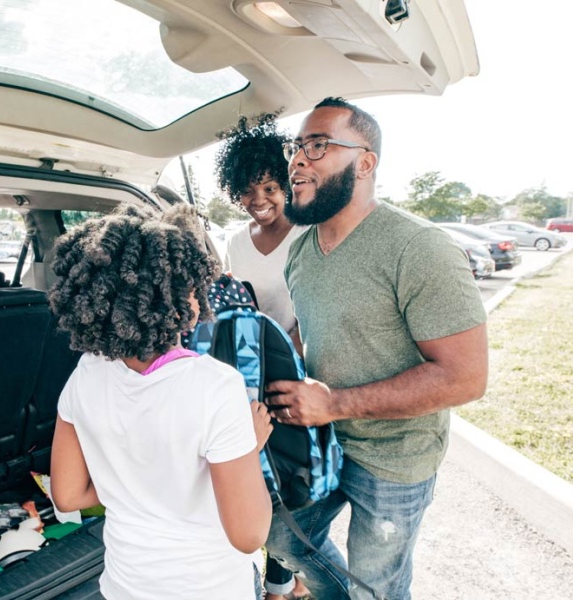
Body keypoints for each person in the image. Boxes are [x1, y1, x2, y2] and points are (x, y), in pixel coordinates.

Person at [264, 97, 489, 599]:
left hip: (395, 458)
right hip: (319, 445)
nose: (297, 160)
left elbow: (466, 378)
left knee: (378, 587)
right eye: (296, 147)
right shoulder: (300, 249)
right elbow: (311, 330)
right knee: (281, 539)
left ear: (365, 162)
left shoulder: (419, 248)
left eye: (317, 145)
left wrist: (337, 403)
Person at [47, 204, 273, 600]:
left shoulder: (85, 373)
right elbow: (249, 535)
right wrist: (248, 449)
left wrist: (135, 479)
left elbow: (67, 495)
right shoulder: (216, 386)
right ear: (181, 300)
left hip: (126, 585)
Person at [214, 114, 310, 600]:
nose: (259, 201)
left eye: (269, 187)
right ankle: (278, 575)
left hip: (300, 370)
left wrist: (293, 345)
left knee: (292, 476)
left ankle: (283, 576)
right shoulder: (233, 241)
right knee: (257, 472)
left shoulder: (308, 234)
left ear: (285, 183)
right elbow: (234, 303)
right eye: (247, 193)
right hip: (250, 371)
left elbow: (315, 306)